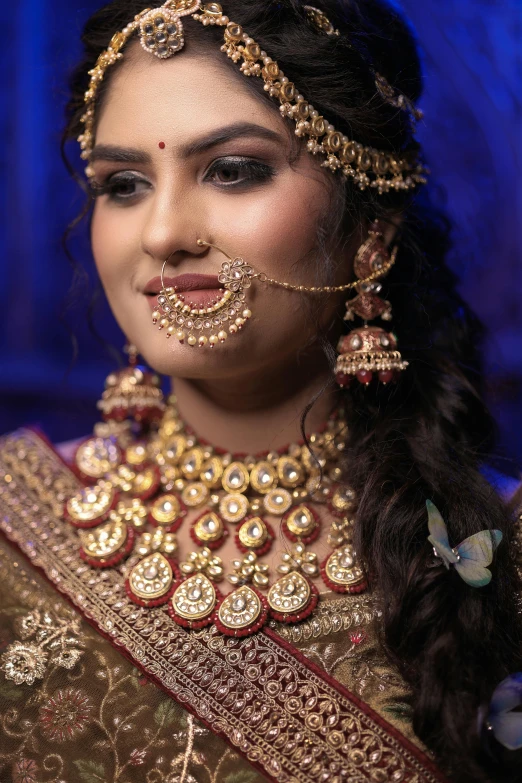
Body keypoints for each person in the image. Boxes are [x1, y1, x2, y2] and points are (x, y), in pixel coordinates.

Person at [0, 1, 521, 781]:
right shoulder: (15, 518)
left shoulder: (496, 554)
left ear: (368, 228)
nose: (162, 233)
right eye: (124, 183)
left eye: (232, 170)